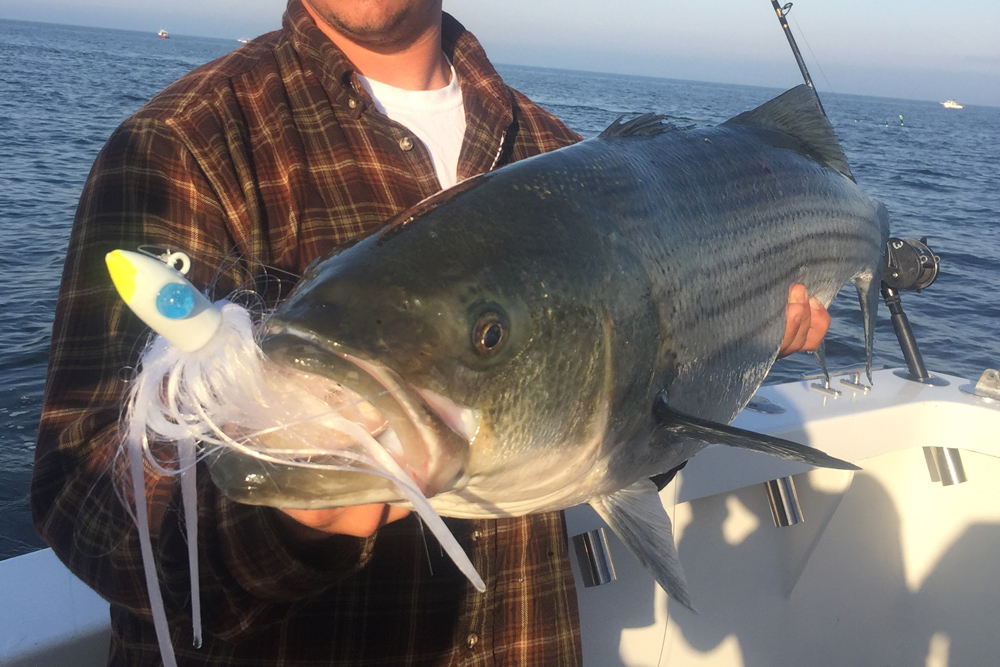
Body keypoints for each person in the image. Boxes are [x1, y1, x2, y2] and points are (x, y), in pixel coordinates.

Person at [32, 1, 829, 665]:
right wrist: (283, 520)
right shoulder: (181, 145)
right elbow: (83, 494)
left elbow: (604, 432)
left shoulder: (555, 149)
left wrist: (734, 347)